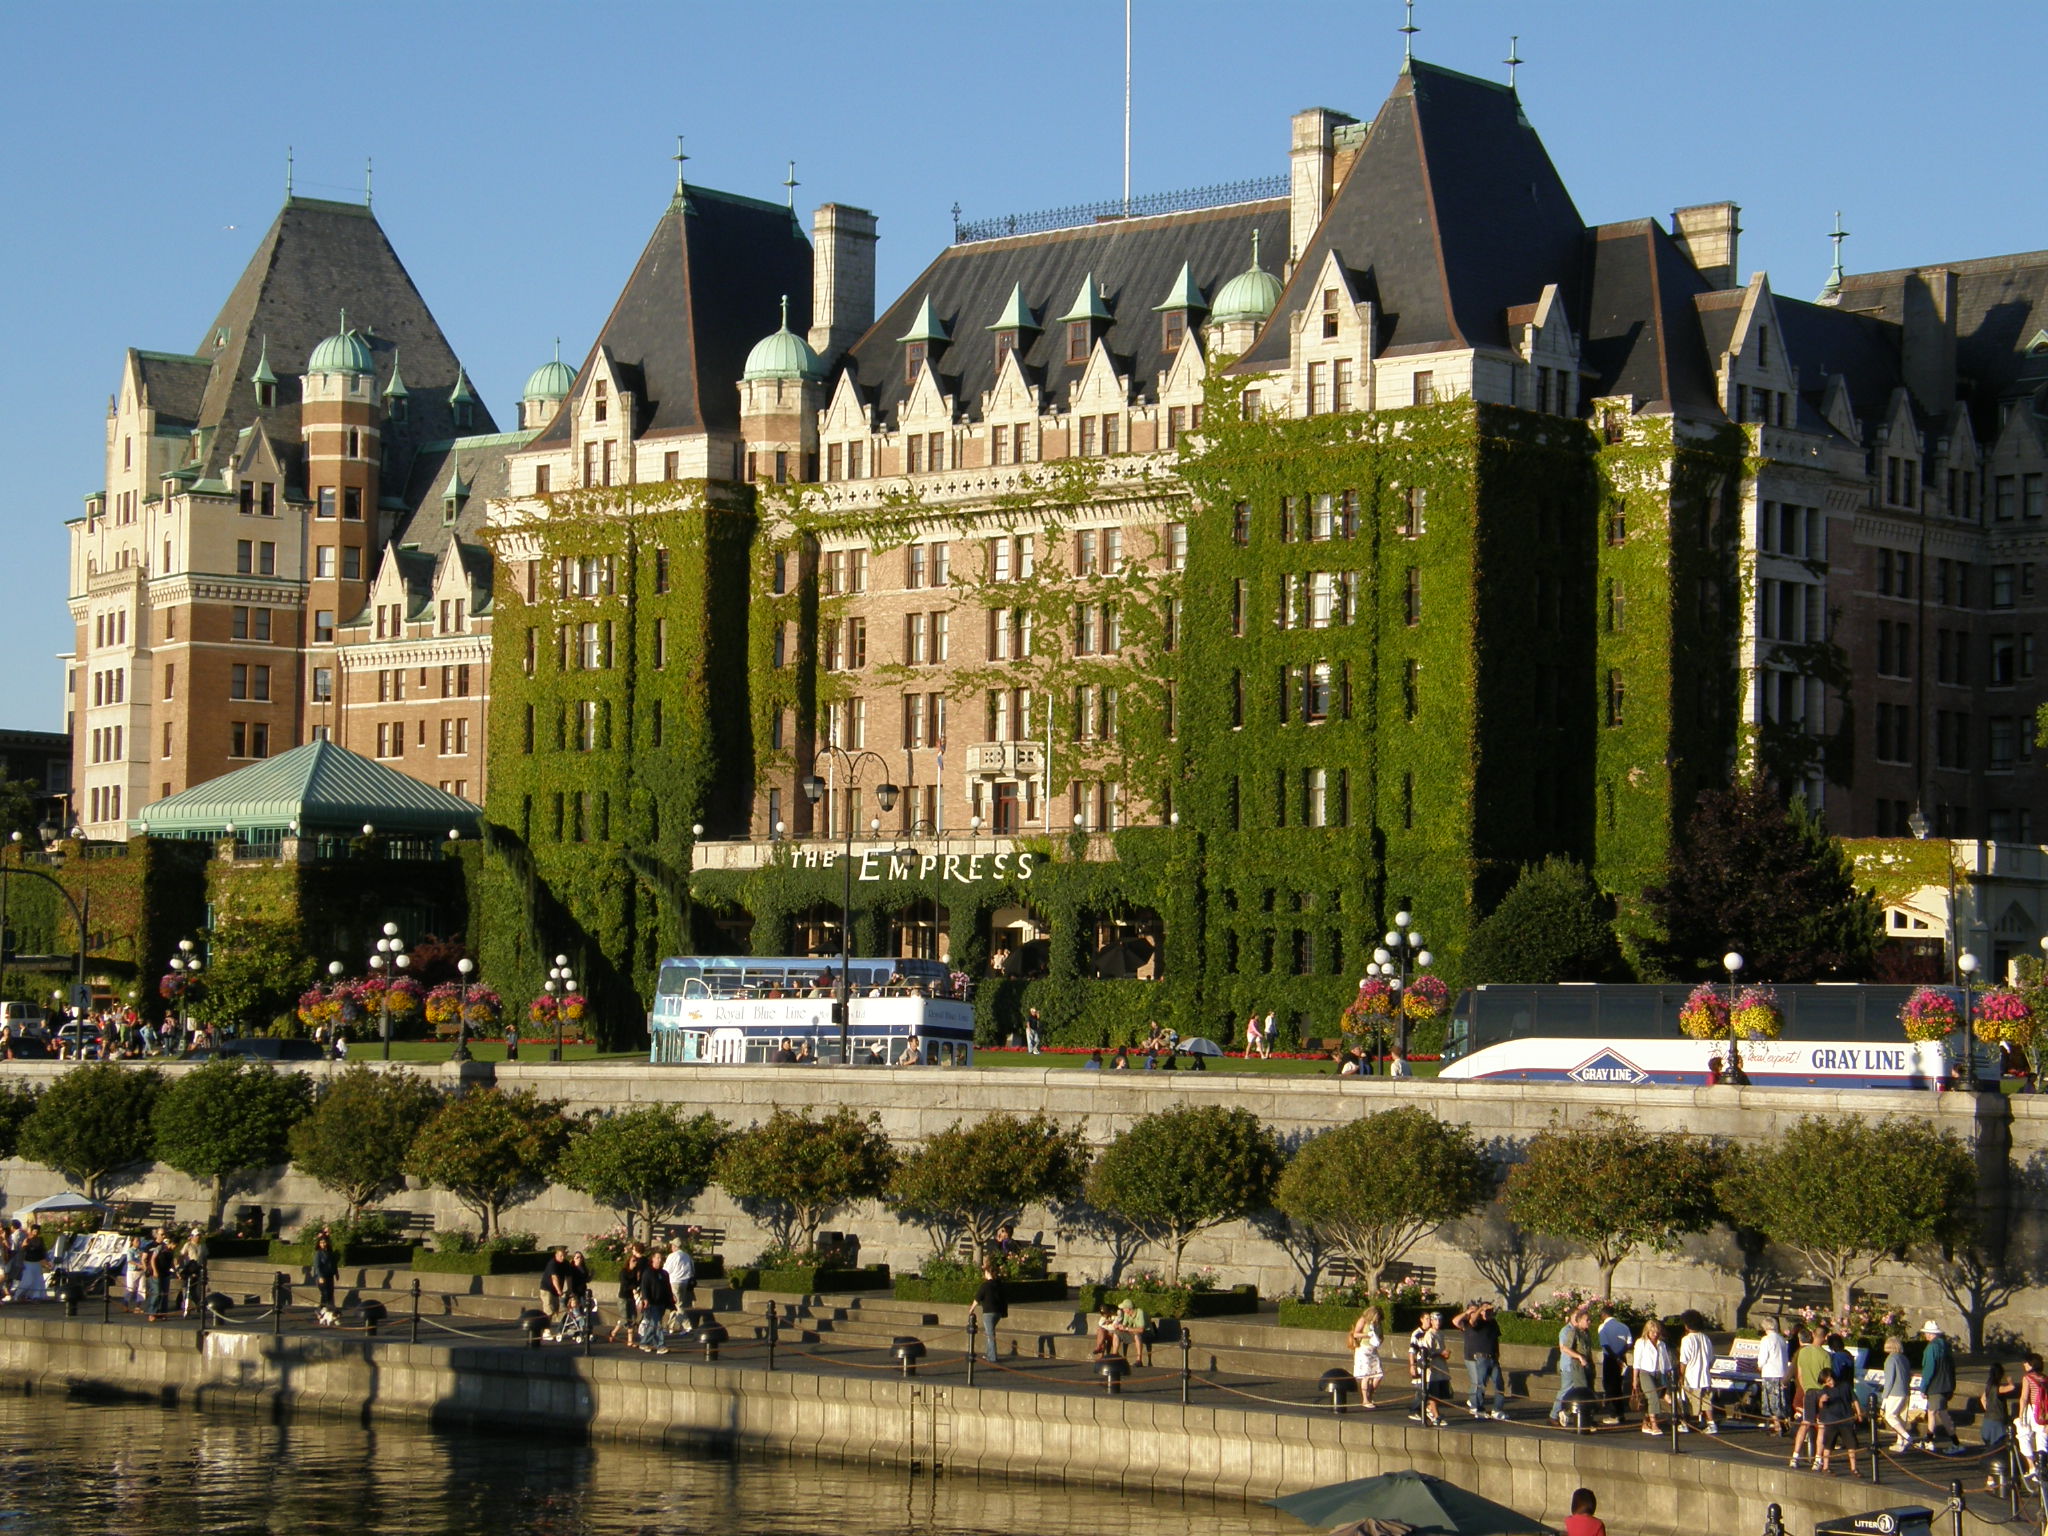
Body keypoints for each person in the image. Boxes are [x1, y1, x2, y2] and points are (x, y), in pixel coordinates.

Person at [1452, 1300, 1507, 1420]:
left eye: (1490, 1311)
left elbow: (1495, 1338)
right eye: (1485, 1311)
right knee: (1479, 1384)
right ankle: (1478, 1408)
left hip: (1492, 1357)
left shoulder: (1492, 1323)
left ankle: (1497, 1409)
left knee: (1499, 1383)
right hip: (1480, 1357)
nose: (1488, 1313)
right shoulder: (1474, 1323)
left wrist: (1497, 1353)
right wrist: (1479, 1309)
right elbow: (1466, 1321)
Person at [1790, 1326, 1832, 1467]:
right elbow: (1828, 1378)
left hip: (1808, 1391)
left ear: (1813, 1334)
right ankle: (1818, 1460)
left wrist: (1806, 1387)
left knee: (1805, 1423)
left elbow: (1800, 1375)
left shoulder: (1803, 1352)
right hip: (1821, 1392)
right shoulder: (1825, 1355)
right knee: (1821, 1426)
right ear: (1825, 1337)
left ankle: (1795, 1456)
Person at [1814, 1366, 1864, 1475]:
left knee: (1851, 1445)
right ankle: (1826, 1466)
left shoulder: (1845, 1386)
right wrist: (1822, 1401)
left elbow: (1854, 1399)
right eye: (1826, 1382)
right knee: (1829, 1445)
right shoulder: (1824, 1390)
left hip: (1846, 1419)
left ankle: (1854, 1468)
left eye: (1829, 1380)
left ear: (1833, 1376)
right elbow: (1821, 1406)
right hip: (1831, 1421)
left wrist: (1859, 1413)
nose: (1829, 1383)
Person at [1630, 1318, 1675, 1436]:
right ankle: (1654, 1424)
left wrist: (1669, 1372)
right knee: (1653, 1396)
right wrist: (1635, 1379)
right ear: (1647, 1331)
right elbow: (1637, 1362)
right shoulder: (1641, 1342)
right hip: (1646, 1372)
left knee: (1653, 1398)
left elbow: (1665, 1360)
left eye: (1657, 1332)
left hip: (1659, 1372)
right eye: (1652, 1332)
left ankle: (1646, 1422)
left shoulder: (1661, 1344)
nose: (1655, 1334)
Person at [1678, 1311, 1719, 1434]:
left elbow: (1684, 1361)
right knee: (1706, 1401)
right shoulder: (1705, 1338)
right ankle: (1711, 1423)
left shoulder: (1686, 1340)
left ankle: (1685, 1423)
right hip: (1705, 1375)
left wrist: (1680, 1375)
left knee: (1686, 1401)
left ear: (1687, 1325)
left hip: (1691, 1376)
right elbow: (1711, 1358)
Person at [1552, 1304, 1592, 1427]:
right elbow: (1565, 1348)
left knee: (1582, 1390)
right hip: (1569, 1365)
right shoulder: (1567, 1331)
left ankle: (1580, 1416)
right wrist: (1579, 1357)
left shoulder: (1585, 1332)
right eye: (1576, 1316)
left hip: (1580, 1366)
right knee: (1566, 1390)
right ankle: (1555, 1414)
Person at [1920, 1321, 1957, 1450]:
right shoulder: (1945, 1346)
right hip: (1947, 1385)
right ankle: (1950, 1441)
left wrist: (1923, 1387)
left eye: (1925, 1333)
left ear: (1930, 1334)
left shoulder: (1931, 1348)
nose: (1924, 1335)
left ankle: (1935, 1441)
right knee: (1940, 1413)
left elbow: (1928, 1369)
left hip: (1936, 1386)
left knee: (1935, 1413)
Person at [1407, 1312, 1448, 1427]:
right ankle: (1428, 1413)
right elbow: (1417, 1351)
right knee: (1426, 1391)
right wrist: (1412, 1365)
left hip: (1438, 1367)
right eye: (1428, 1319)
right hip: (1427, 1367)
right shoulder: (1421, 1334)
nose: (1431, 1321)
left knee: (1434, 1392)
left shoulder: (1439, 1333)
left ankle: (1429, 1410)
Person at [1756, 1316, 1793, 1436]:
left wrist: (1759, 1366)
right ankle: (1785, 1423)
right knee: (1782, 1401)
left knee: (1772, 1402)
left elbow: (1763, 1358)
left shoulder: (1766, 1340)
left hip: (1770, 1373)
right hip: (1782, 1372)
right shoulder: (1782, 1339)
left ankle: (1777, 1426)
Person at [1596, 1304, 1632, 1424]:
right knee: (1619, 1386)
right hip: (1622, 1359)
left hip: (1610, 1359)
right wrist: (1620, 1355)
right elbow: (1629, 1343)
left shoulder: (1602, 1327)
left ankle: (1613, 1414)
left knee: (1609, 1387)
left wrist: (1614, 1357)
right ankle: (1621, 1414)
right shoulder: (1624, 1327)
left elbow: (1605, 1345)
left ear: (1604, 1315)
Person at [966, 1259, 1007, 1363]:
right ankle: (989, 1354)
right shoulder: (998, 1284)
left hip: (988, 1313)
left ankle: (992, 1357)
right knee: (990, 1333)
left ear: (987, 1272)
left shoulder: (985, 1285)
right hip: (997, 1312)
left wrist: (971, 1309)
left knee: (990, 1335)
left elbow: (977, 1298)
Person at [1879, 1335, 1915, 1453]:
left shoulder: (1890, 1360)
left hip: (1895, 1392)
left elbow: (1889, 1380)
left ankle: (1906, 1437)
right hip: (1905, 1391)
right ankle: (1900, 1442)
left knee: (1890, 1416)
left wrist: (1884, 1398)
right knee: (1901, 1417)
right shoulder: (1904, 1358)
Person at [2015, 1353, 2047, 1488]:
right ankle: (2042, 1469)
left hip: (2032, 1410)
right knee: (2042, 1441)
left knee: (2023, 1436)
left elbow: (2023, 1398)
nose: (2024, 1365)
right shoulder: (2045, 1378)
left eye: (2026, 1363)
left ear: (2031, 1364)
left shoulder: (2028, 1378)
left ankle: (2032, 1466)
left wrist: (2021, 1416)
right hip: (2044, 1413)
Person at [635, 1252, 674, 1353]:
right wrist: (645, 1299)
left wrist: (671, 1297)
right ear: (653, 1259)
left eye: (661, 1258)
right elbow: (644, 1287)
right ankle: (660, 1345)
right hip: (652, 1303)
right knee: (657, 1324)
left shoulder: (664, 1273)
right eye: (657, 1258)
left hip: (661, 1302)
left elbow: (667, 1287)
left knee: (653, 1324)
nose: (659, 1260)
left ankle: (644, 1342)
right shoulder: (648, 1272)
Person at [1348, 1305, 1384, 1409]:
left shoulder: (1378, 1323)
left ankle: (1370, 1395)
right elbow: (1355, 1334)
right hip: (1363, 1349)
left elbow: (1381, 1335)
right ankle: (1365, 1399)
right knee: (1366, 1375)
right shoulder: (1363, 1320)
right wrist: (1367, 1335)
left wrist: (1379, 1340)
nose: (1377, 1319)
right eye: (1376, 1316)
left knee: (1379, 1374)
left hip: (1373, 1349)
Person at [609, 1244, 644, 1344]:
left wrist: (637, 1280)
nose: (635, 1263)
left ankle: (627, 1339)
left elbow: (637, 1284)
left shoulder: (636, 1272)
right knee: (625, 1319)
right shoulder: (624, 1272)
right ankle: (619, 1335)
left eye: (636, 1261)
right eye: (633, 1261)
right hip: (623, 1297)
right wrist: (633, 1288)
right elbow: (625, 1285)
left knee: (632, 1317)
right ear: (628, 1262)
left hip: (630, 1298)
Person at [663, 1237, 696, 1315]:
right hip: (685, 1282)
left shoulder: (672, 1256)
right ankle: (671, 1326)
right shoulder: (687, 1256)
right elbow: (692, 1270)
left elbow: (667, 1270)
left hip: (674, 1282)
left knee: (677, 1306)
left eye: (672, 1245)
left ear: (674, 1246)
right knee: (677, 1305)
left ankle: (687, 1325)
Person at [311, 1232, 340, 1318]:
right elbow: (317, 1266)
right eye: (321, 1243)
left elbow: (333, 1264)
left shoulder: (330, 1252)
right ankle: (320, 1310)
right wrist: (320, 1276)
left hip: (329, 1276)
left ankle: (326, 1310)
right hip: (322, 1276)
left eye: (324, 1242)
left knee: (330, 1293)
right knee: (325, 1294)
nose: (323, 1244)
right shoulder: (318, 1254)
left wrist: (336, 1273)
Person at [1111, 1297, 1150, 1362]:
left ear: (1128, 1308)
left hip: (1147, 1334)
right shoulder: (1127, 1313)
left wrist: (1126, 1328)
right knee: (1116, 1333)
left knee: (1137, 1335)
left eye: (1124, 1308)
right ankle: (1114, 1355)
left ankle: (1139, 1360)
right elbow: (1124, 1325)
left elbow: (1141, 1329)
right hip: (1133, 1333)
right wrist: (1119, 1326)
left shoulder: (1140, 1312)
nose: (1123, 1310)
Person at [540, 1247, 570, 1316]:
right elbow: (554, 1278)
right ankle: (545, 1326)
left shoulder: (566, 1263)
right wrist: (559, 1290)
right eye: (561, 1256)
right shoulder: (552, 1264)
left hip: (555, 1291)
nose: (562, 1257)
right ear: (556, 1255)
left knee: (556, 1310)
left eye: (564, 1256)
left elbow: (569, 1277)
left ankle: (551, 1325)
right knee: (549, 1311)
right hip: (547, 1289)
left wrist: (569, 1289)